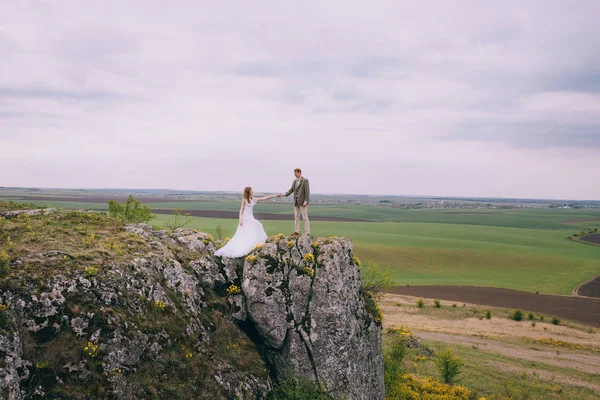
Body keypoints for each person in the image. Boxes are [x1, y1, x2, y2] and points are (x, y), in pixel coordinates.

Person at [215, 187, 278, 258]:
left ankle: (254, 243)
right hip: (246, 217)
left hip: (251, 217)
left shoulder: (253, 199)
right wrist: (240, 220)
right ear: (248, 192)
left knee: (254, 228)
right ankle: (248, 245)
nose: (252, 191)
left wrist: (274, 196)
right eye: (251, 190)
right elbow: (241, 210)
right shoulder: (244, 200)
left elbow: (264, 198)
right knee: (257, 225)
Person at [278, 168, 310, 236]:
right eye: (294, 173)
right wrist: (283, 194)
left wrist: (306, 201)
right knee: (296, 217)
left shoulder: (305, 180)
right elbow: (291, 190)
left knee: (305, 217)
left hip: (302, 202)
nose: (294, 175)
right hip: (296, 202)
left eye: (295, 173)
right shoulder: (294, 181)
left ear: (299, 173)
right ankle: (296, 231)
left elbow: (307, 192)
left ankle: (307, 233)